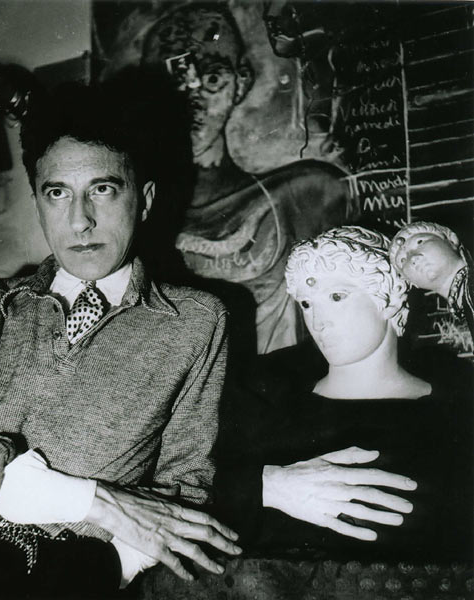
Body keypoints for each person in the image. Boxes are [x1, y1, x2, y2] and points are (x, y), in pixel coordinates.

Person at [0, 84, 241, 600]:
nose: (79, 220)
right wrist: (91, 501)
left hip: (73, 576)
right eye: (57, 193)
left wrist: (102, 571)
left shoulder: (195, 322)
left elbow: (180, 493)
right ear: (38, 203)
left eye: (103, 189)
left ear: (144, 200)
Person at [216, 226, 472, 560]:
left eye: (337, 297)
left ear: (389, 298)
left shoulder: (457, 403)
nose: (318, 322)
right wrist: (262, 487)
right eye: (306, 303)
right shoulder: (260, 397)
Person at [140, 3, 352, 354]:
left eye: (212, 79)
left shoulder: (307, 194)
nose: (192, 103)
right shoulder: (137, 220)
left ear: (241, 81)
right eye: (173, 85)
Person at [390, 220, 474, 340]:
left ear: (451, 240)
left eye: (420, 242)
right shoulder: (464, 301)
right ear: (412, 282)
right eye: (403, 260)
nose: (413, 258)